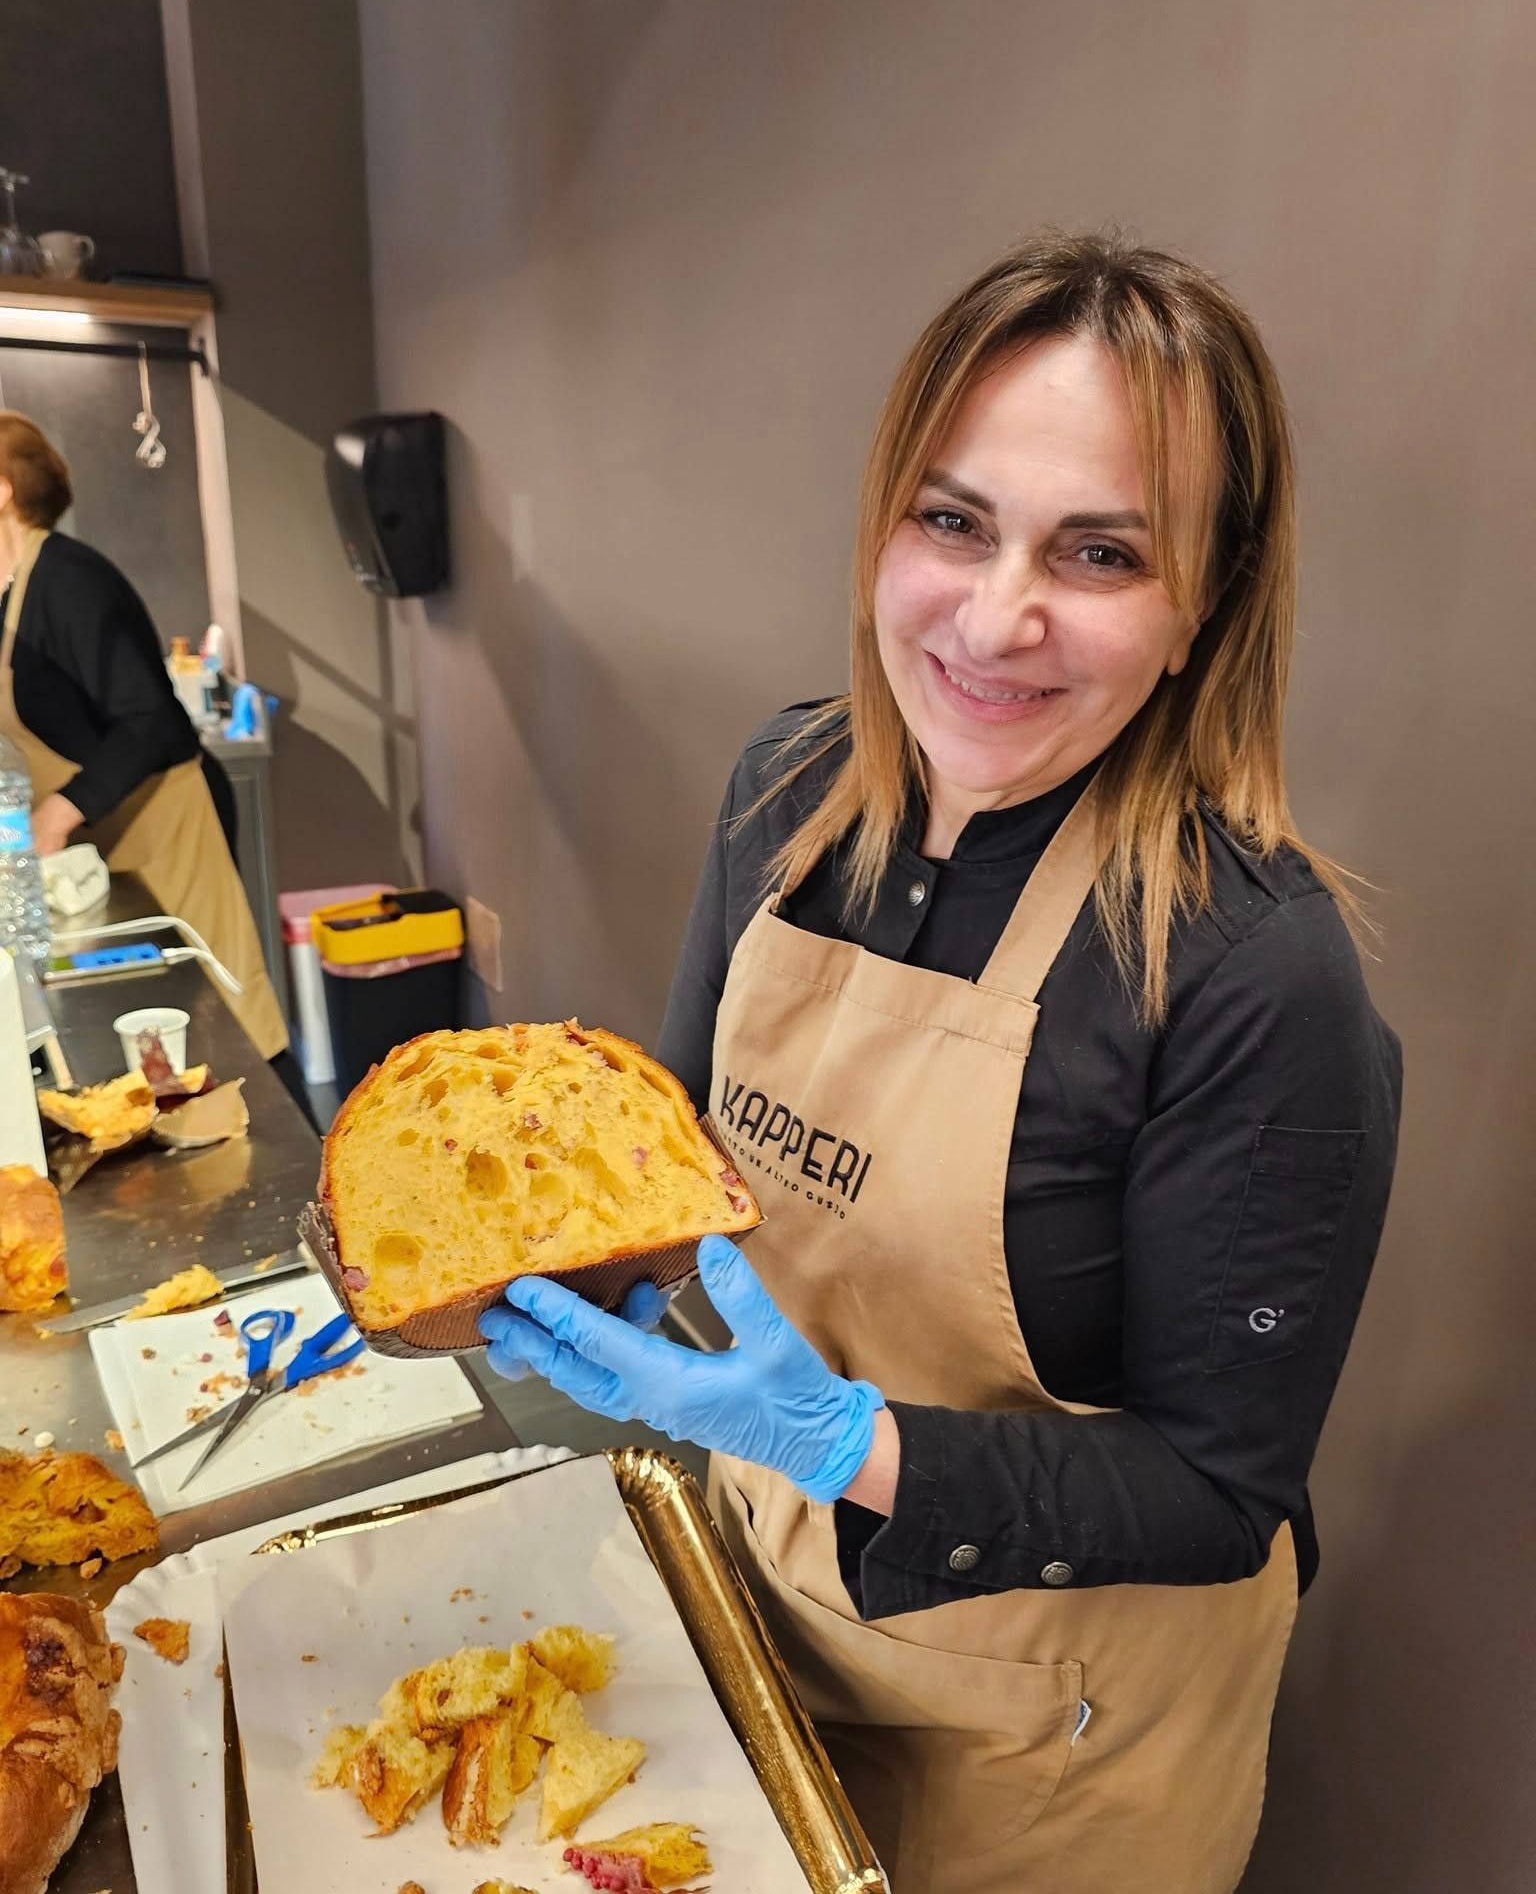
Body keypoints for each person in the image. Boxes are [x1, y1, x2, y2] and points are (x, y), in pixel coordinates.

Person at [478, 231, 1402, 1892]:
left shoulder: (1259, 972)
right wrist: (573, 1261)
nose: (995, 618)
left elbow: (1215, 1489)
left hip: (1061, 1748)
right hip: (775, 1611)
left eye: (1102, 552)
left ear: (1199, 611)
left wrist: (844, 1442)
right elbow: (679, 1158)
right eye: (952, 519)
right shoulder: (786, 791)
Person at [0, 410, 290, 1069]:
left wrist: (54, 814)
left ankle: (301, 1161)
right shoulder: (8, 593)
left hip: (165, 823)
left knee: (230, 1015)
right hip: (104, 837)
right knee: (153, 1040)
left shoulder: (69, 581)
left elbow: (154, 720)